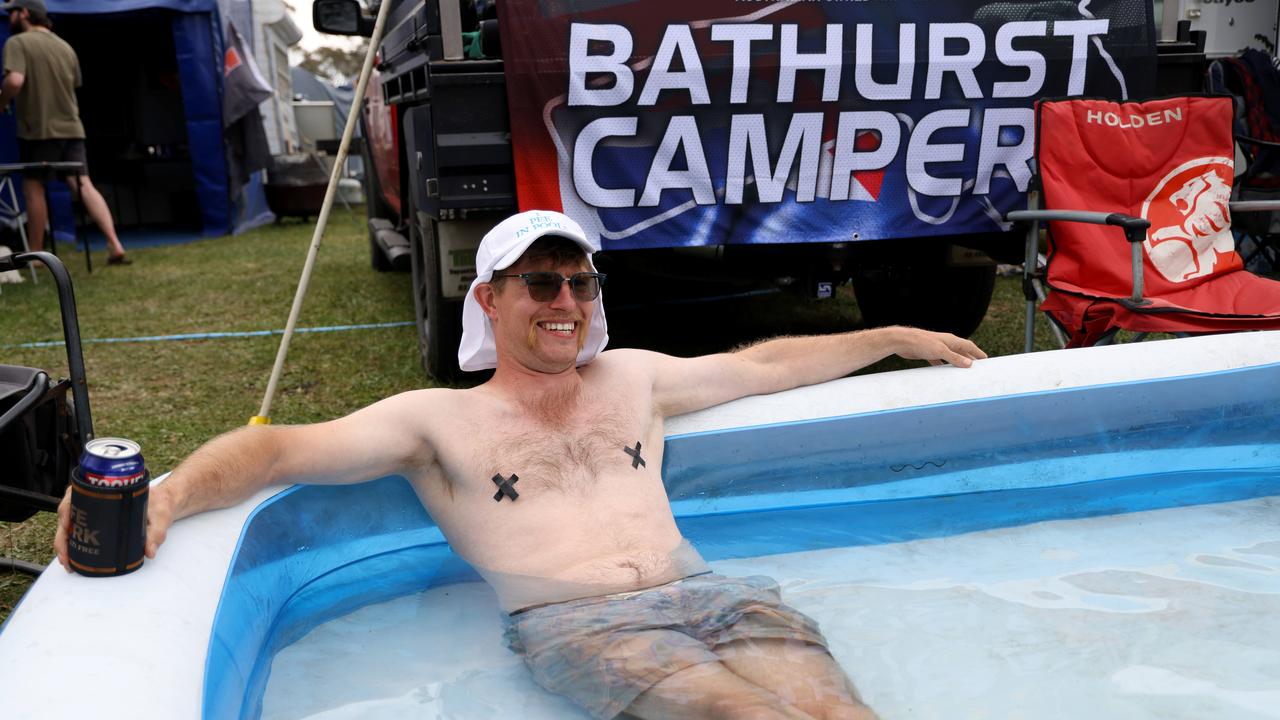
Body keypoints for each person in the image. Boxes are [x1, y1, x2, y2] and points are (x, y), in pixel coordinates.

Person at [55, 210, 986, 719]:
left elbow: (764, 364)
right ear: (492, 299)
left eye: (580, 282)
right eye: (541, 282)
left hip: (713, 591)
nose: (566, 301)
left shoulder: (633, 376)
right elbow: (276, 450)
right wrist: (169, 493)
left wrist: (894, 333)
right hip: (582, 628)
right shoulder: (438, 420)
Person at [0, 0, 129, 265]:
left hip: (39, 130)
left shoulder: (18, 43)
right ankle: (115, 244)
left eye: (12, 11)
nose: (9, 16)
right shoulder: (65, 46)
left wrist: (1, 102)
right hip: (72, 127)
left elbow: (14, 80)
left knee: (33, 188)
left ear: (25, 13)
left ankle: (36, 255)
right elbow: (74, 84)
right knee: (83, 184)